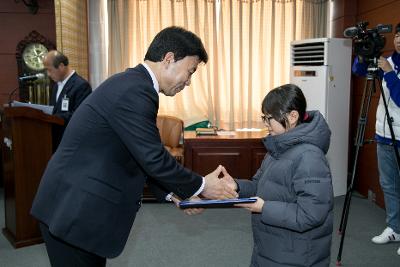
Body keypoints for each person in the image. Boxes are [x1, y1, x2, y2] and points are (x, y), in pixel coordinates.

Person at [31, 26, 237, 266]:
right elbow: (153, 158)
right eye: (190, 72)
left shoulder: (134, 84)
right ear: (169, 59)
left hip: (76, 208)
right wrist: (201, 185)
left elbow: (138, 154)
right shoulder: (136, 90)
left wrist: (174, 194)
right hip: (73, 210)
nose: (189, 82)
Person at [222, 84, 334, 266]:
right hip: (272, 248)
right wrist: (237, 186)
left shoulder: (310, 157)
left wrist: (264, 208)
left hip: (296, 255)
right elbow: (259, 186)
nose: (265, 124)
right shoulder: (279, 148)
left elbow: (311, 214)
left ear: (292, 116)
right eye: (263, 118)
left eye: (269, 118)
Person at [352, 23, 400, 254]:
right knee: (389, 186)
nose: (399, 40)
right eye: (398, 35)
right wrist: (363, 55)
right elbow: (359, 72)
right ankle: (395, 228)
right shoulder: (387, 60)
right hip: (383, 134)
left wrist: (389, 73)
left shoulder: (389, 67)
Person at [43, 50, 92, 150]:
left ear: (61, 66)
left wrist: (52, 117)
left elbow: (80, 116)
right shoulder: (56, 85)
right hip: (54, 140)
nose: (48, 74)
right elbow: (54, 109)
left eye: (50, 70)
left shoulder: (81, 85)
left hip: (71, 142)